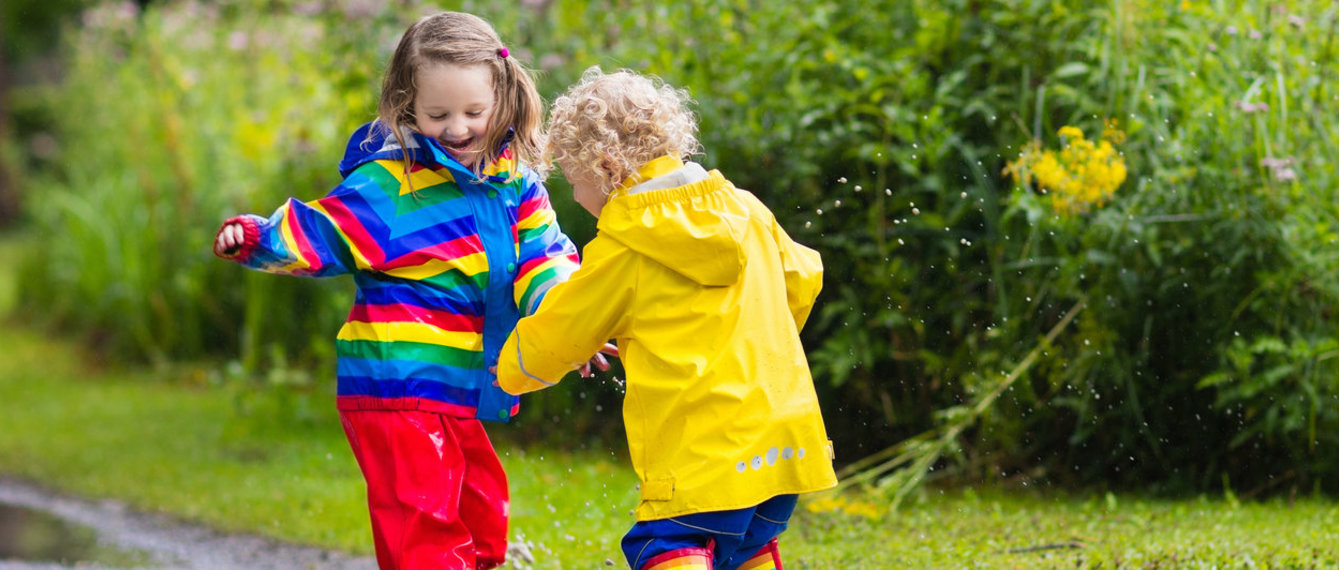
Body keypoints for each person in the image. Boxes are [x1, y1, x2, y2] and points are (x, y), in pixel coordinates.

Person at [213, 12, 587, 570]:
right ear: (407, 106)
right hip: (395, 385)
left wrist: (571, 317)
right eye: (438, 115)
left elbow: (546, 258)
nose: (457, 129)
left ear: (502, 98)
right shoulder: (391, 184)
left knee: (484, 518)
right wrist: (256, 239)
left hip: (459, 386)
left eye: (473, 112)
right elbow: (322, 231)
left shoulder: (517, 187)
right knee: (425, 527)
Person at [495, 67, 838, 570]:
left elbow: (562, 330)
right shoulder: (746, 210)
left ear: (607, 167)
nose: (575, 197)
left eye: (573, 180)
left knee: (667, 546)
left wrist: (511, 370)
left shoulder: (624, 247)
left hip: (702, 460)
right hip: (785, 444)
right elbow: (803, 279)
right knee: (744, 548)